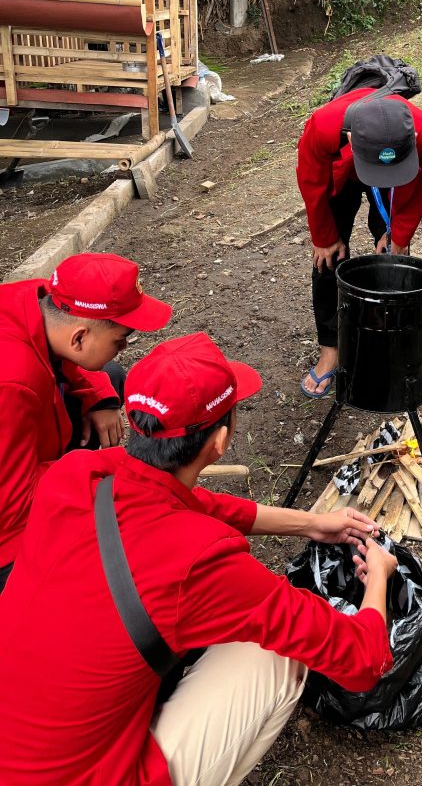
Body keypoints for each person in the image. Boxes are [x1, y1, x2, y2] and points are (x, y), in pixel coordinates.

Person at [0, 332, 397, 786]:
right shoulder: (200, 560)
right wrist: (379, 576)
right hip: (82, 776)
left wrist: (309, 522)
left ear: (135, 418)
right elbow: (364, 661)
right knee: (276, 658)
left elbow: (187, 502)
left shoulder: (73, 474)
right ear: (220, 441)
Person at [0, 251, 172, 591]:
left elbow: (66, 343)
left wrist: (100, 396)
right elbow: (11, 510)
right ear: (79, 338)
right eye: (120, 340)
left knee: (109, 374)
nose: (123, 346)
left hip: (20, 447)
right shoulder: (12, 383)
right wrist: (104, 468)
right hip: (7, 525)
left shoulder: (41, 299)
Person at [296, 88, 422, 397]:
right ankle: (331, 350)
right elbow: (311, 181)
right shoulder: (324, 126)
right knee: (328, 259)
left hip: (398, 169)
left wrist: (399, 235)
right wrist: (324, 236)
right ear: (350, 138)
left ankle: (391, 338)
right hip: (344, 169)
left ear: (414, 138)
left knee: (395, 254)